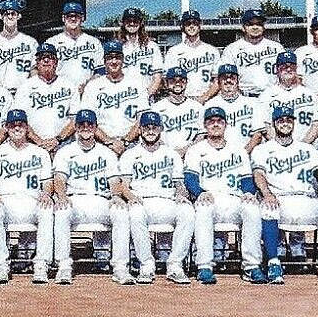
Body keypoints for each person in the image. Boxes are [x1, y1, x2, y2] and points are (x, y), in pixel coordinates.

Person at [249, 105, 318, 285]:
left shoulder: (307, 149)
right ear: (274, 124)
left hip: (306, 198)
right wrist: (267, 193)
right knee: (267, 209)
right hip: (279, 198)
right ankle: (273, 263)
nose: (285, 123)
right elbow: (258, 174)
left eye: (288, 120)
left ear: (294, 123)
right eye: (281, 120)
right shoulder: (262, 149)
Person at [111, 110, 194, 285]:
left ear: (161, 129)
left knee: (187, 211)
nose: (150, 131)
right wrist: (130, 196)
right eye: (146, 127)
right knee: (135, 213)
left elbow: (179, 184)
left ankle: (175, 265)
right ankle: (146, 265)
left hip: (167, 200)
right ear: (140, 130)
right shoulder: (130, 154)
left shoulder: (172, 154)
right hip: (142, 200)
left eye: (154, 127)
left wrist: (181, 195)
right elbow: (123, 185)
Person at [184, 105, 260, 285]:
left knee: (252, 209)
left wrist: (249, 193)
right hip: (209, 197)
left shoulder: (238, 150)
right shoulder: (195, 150)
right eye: (211, 122)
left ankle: (252, 266)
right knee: (203, 209)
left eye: (219, 121)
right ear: (205, 125)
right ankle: (204, 266)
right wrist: (200, 192)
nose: (215, 124)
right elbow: (190, 178)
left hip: (233, 198)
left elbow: (247, 179)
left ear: (226, 124)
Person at [0, 109, 55, 283]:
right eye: (12, 125)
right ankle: (1, 264)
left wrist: (46, 193)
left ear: (27, 128)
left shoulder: (40, 153)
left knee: (47, 209)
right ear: (6, 128)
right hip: (6, 199)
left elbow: (48, 181)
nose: (16, 128)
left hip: (32, 200)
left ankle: (41, 264)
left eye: (20, 124)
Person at [49, 109, 119, 285]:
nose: (86, 127)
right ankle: (64, 266)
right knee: (61, 211)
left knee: (121, 212)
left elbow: (114, 181)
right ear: (75, 127)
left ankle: (120, 266)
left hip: (101, 200)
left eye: (90, 124)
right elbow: (59, 178)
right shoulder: (65, 152)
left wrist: (116, 196)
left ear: (96, 127)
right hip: (75, 200)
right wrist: (61, 195)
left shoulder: (107, 153)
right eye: (81, 124)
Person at [80, 41, 145, 152]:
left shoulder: (137, 83)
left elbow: (142, 118)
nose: (114, 61)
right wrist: (109, 141)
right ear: (104, 61)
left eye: (117, 57)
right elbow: (87, 120)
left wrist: (125, 141)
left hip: (132, 144)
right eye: (110, 58)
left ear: (123, 59)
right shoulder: (93, 86)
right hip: (102, 144)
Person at [14, 44, 78, 152]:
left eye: (50, 57)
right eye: (42, 58)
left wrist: (58, 139)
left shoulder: (69, 85)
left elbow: (75, 119)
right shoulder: (25, 87)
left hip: (63, 145)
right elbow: (19, 121)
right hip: (33, 145)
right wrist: (39, 141)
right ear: (37, 63)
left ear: (56, 62)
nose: (46, 60)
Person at [254, 51, 318, 148]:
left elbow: (316, 124)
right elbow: (265, 127)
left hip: (306, 148)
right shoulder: (266, 96)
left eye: (292, 66)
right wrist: (283, 146)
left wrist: (302, 146)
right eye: (284, 66)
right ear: (277, 69)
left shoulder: (309, 94)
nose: (289, 69)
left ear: (297, 68)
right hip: (278, 149)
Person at [220, 8, 281, 97]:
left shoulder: (277, 48)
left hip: (272, 96)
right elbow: (225, 77)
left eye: (259, 24)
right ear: (243, 27)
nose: (255, 27)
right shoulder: (232, 49)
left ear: (264, 27)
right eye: (250, 24)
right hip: (245, 97)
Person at [0, 0, 37, 91]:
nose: (10, 17)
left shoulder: (30, 42)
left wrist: (28, 89)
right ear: (0, 16)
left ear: (19, 16)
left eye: (13, 13)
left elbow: (35, 70)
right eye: (6, 14)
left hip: (24, 92)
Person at [164, 10, 221, 100]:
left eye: (195, 23)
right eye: (188, 23)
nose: (191, 26)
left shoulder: (212, 51)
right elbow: (166, 80)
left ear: (199, 26)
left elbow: (218, 80)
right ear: (182, 27)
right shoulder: (173, 52)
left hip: (207, 98)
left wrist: (204, 97)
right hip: (182, 99)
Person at [48, 1, 103, 85]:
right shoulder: (52, 42)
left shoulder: (94, 42)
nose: (73, 19)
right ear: (63, 18)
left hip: (87, 90)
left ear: (82, 18)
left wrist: (88, 84)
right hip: (60, 90)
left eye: (77, 16)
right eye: (69, 16)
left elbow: (100, 70)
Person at [153, 67, 206, 153]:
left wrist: (186, 150)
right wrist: (172, 152)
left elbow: (202, 134)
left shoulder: (197, 107)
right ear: (166, 83)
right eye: (173, 81)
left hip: (193, 153)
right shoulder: (156, 108)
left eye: (182, 80)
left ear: (186, 82)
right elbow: (154, 135)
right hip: (166, 154)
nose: (177, 83)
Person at [209, 65, 261, 147]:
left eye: (232, 77)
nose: (228, 80)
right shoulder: (210, 105)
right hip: (221, 152)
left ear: (238, 81)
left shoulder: (253, 103)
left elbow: (257, 135)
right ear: (219, 82)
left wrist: (243, 152)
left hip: (248, 150)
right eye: (224, 78)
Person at [118, 7, 164, 98]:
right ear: (123, 23)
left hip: (146, 95)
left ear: (141, 23)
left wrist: (147, 95)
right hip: (123, 96)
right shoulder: (117, 47)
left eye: (135, 21)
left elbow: (157, 76)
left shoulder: (152, 46)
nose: (132, 23)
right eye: (128, 21)